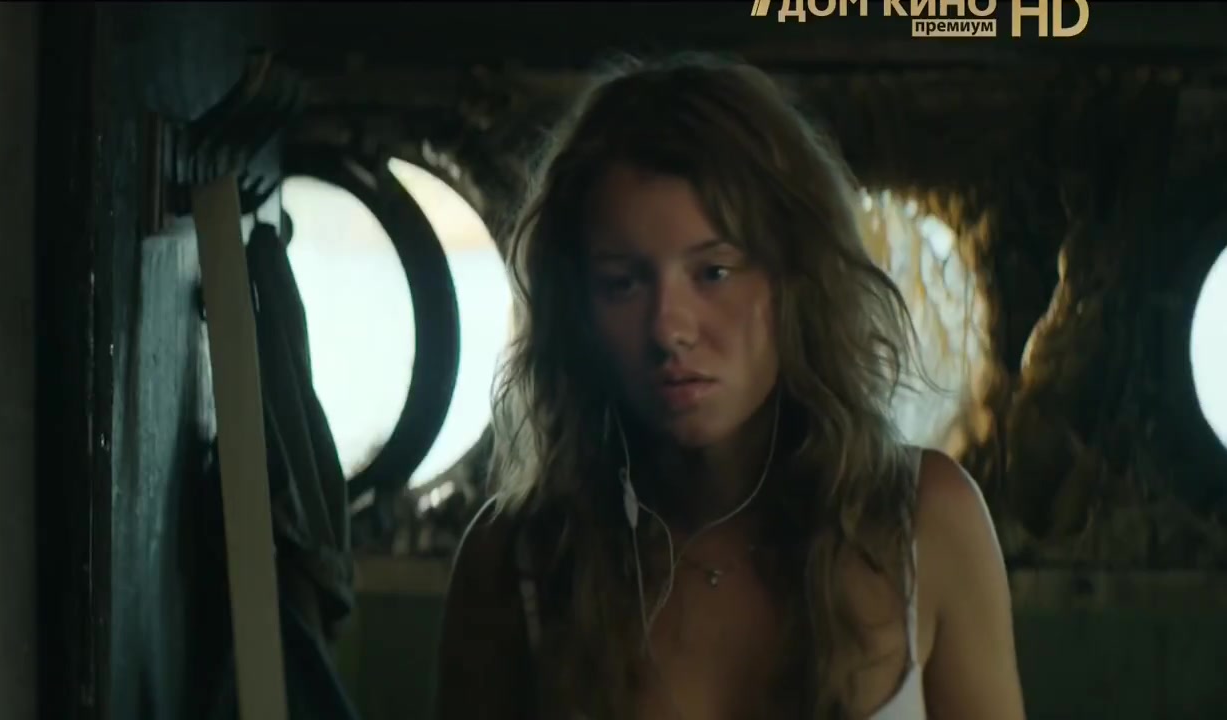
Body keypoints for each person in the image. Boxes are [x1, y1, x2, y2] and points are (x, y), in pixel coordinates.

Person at [435, 54, 1024, 719]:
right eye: (623, 282)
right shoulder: (515, 564)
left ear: (795, 281)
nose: (669, 328)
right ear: (577, 308)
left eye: (713, 273)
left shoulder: (925, 523)